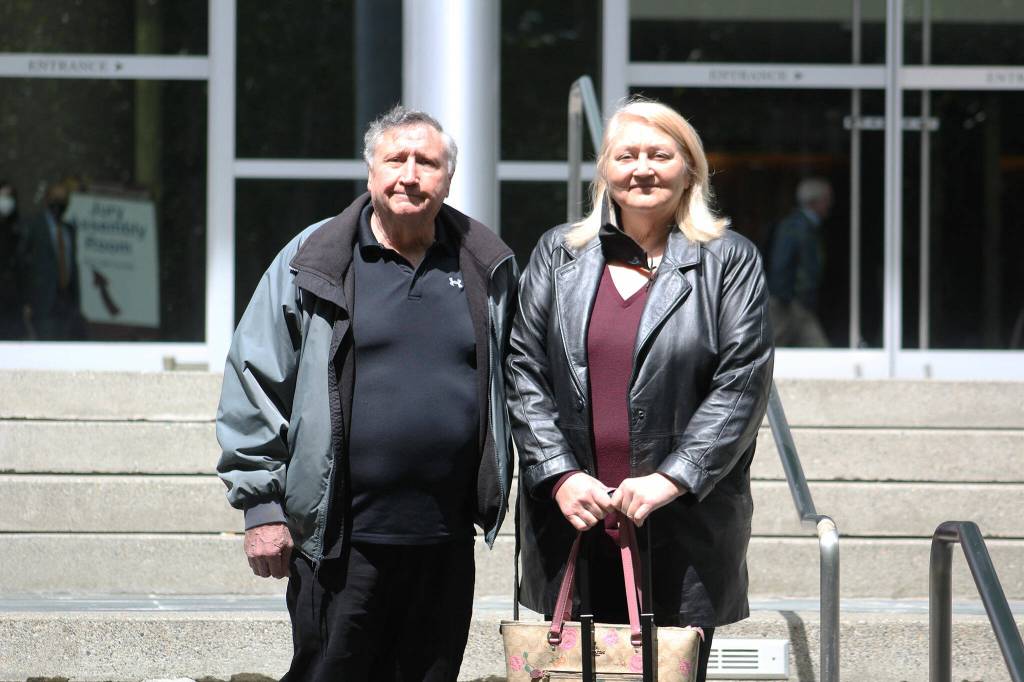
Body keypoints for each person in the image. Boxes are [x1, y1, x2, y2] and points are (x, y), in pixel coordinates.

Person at [216, 106, 518, 682]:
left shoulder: (485, 265)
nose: (410, 174)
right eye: (395, 159)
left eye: (426, 162)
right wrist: (260, 504)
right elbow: (255, 377)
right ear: (370, 171)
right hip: (339, 541)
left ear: (448, 177)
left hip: (444, 541)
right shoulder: (316, 259)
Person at [506, 98, 773, 682]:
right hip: (573, 520)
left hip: (682, 527)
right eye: (626, 156)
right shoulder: (559, 254)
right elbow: (522, 371)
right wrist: (559, 473)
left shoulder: (729, 261)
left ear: (689, 169)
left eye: (661, 154)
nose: (642, 169)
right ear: (605, 170)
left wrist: (672, 477)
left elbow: (742, 385)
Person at [17, 177, 87, 340]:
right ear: (47, 199)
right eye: (56, 198)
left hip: (67, 301)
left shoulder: (69, 230)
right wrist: (26, 300)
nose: (59, 203)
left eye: (63, 199)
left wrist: (76, 302)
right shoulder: (33, 226)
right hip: (43, 301)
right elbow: (23, 265)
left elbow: (72, 266)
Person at [767, 177, 833, 347]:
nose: (829, 204)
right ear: (814, 202)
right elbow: (781, 264)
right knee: (772, 350)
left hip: (796, 303)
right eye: (826, 199)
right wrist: (786, 297)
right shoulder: (796, 227)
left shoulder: (806, 226)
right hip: (789, 304)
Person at [0, 181, 26, 338]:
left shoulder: (19, 229)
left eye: (9, 197)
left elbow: (24, 266)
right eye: (2, 196)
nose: (5, 201)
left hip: (13, 297)